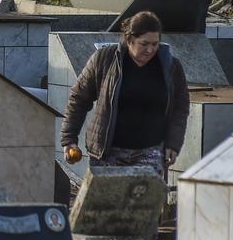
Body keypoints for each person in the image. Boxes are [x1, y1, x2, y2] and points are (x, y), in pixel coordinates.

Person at [61, 10, 189, 170]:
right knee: (108, 195)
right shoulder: (104, 59)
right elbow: (79, 99)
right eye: (144, 44)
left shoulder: (171, 66)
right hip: (107, 153)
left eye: (154, 44)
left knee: (145, 194)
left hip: (151, 152)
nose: (150, 50)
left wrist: (173, 143)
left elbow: (180, 108)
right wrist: (69, 139)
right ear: (129, 40)